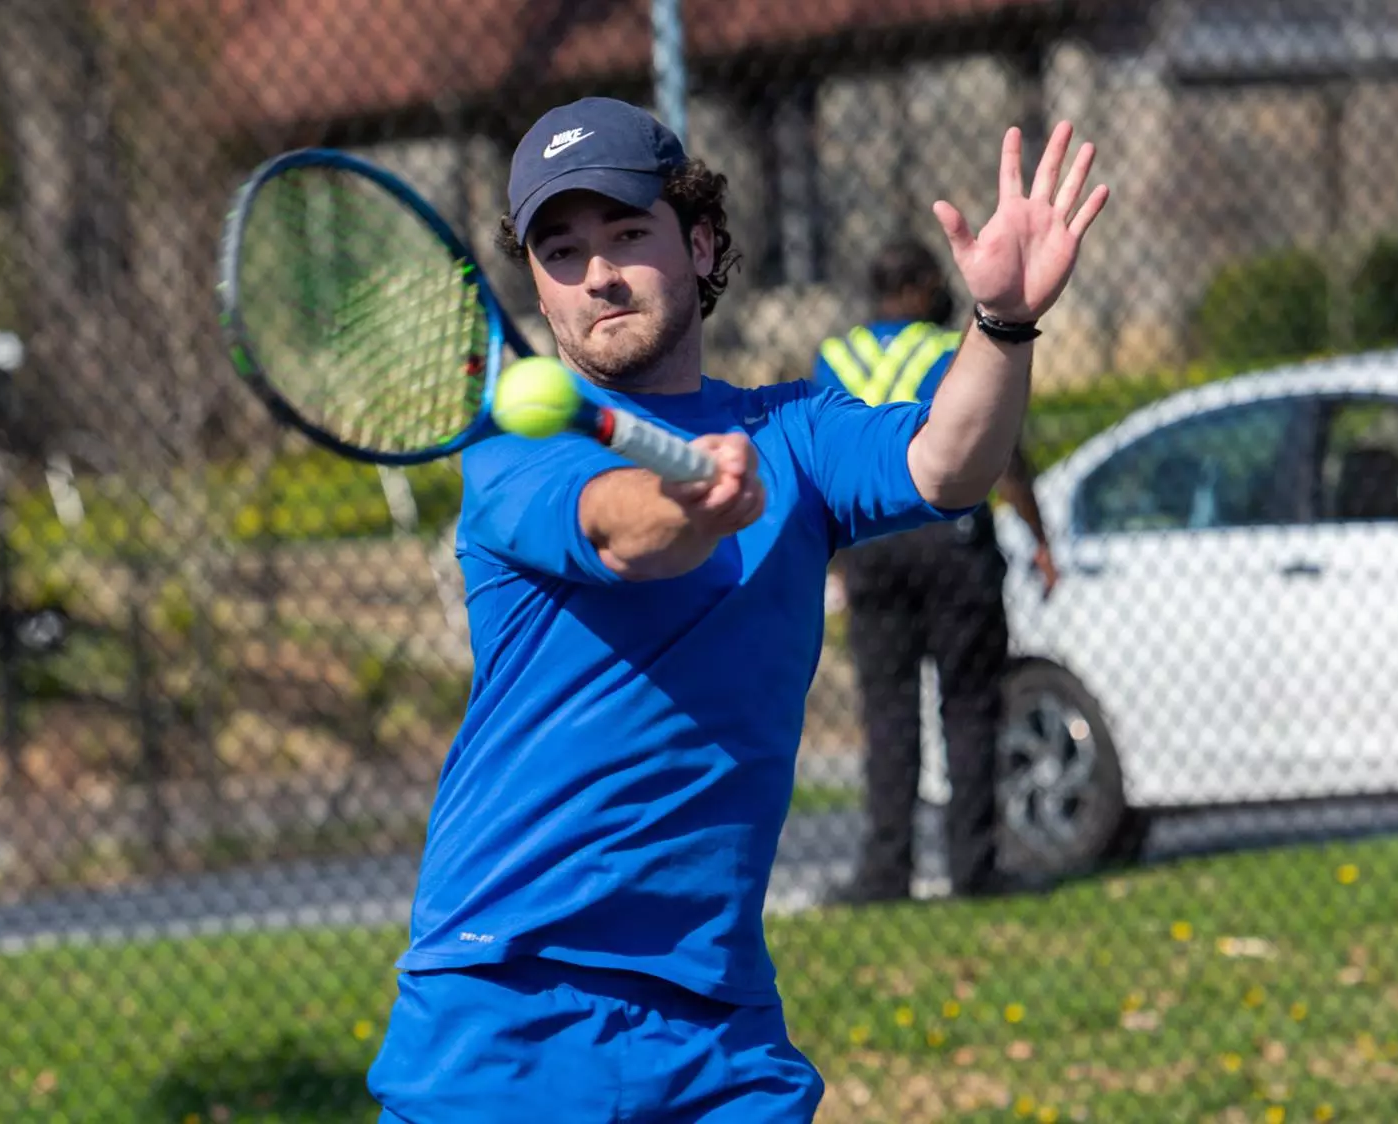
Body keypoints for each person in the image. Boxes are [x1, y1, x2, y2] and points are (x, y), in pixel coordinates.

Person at [366, 95, 1108, 1123]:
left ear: (700, 239)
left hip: (716, 1025)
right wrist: (692, 501)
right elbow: (622, 531)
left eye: (626, 232)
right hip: (507, 1010)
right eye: (562, 249)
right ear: (534, 278)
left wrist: (1001, 323)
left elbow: (949, 461)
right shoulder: (513, 439)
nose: (598, 274)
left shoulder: (793, 431)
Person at [814, 239, 1060, 906]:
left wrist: (828, 554)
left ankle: (885, 871)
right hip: (951, 545)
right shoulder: (950, 351)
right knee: (971, 708)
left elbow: (821, 458)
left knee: (888, 714)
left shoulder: (835, 358)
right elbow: (998, 444)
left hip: (872, 550)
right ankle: (973, 868)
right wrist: (1039, 538)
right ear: (922, 288)